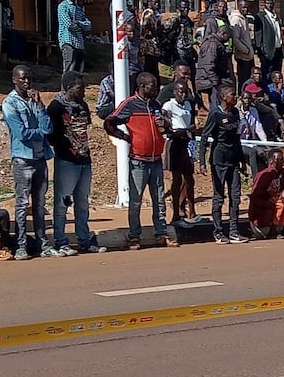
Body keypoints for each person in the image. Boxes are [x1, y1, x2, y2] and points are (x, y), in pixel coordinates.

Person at [105, 72, 176, 249]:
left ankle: (161, 233)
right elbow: (109, 122)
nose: (156, 88)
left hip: (156, 159)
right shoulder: (130, 104)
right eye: (152, 86)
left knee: (159, 199)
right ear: (142, 87)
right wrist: (125, 137)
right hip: (138, 160)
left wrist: (165, 124)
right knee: (135, 200)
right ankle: (134, 236)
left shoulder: (156, 104)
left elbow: (167, 126)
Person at [1, 65, 53, 259]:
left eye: (29, 78)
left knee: (40, 204)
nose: (27, 82)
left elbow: (48, 126)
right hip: (23, 159)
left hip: (40, 158)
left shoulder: (34, 100)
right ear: (14, 79)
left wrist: (40, 106)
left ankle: (43, 243)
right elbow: (21, 133)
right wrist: (42, 133)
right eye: (22, 79)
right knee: (22, 204)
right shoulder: (9, 103)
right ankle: (21, 245)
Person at [44, 73, 100, 255]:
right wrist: (67, 149)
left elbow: (84, 130)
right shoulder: (56, 107)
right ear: (68, 87)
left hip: (85, 160)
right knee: (63, 202)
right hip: (67, 162)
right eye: (80, 88)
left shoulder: (83, 105)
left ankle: (84, 240)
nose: (83, 91)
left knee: (82, 202)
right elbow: (50, 135)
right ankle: (61, 241)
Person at [200, 83, 246, 243]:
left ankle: (234, 231)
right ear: (223, 97)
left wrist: (242, 160)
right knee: (219, 197)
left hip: (233, 160)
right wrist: (202, 162)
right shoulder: (215, 114)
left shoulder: (234, 113)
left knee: (235, 196)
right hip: (219, 160)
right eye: (233, 94)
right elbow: (205, 137)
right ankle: (218, 231)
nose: (236, 97)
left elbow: (236, 139)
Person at [161, 74, 202, 227]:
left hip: (187, 143)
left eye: (185, 92)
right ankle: (176, 214)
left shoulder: (188, 105)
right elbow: (166, 126)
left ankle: (192, 211)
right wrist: (183, 130)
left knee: (190, 179)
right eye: (180, 92)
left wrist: (189, 131)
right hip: (175, 143)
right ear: (174, 92)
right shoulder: (168, 106)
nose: (183, 94)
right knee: (177, 179)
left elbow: (191, 125)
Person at [249, 149, 284, 238]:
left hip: (275, 207)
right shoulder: (264, 175)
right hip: (262, 217)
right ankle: (272, 231)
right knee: (279, 201)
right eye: (279, 160)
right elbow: (255, 197)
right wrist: (271, 205)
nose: (282, 162)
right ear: (271, 161)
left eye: (282, 160)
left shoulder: (282, 172)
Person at [194, 23, 233, 111]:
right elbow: (208, 65)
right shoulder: (212, 44)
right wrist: (215, 82)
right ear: (223, 34)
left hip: (212, 79)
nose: (228, 40)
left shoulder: (216, 43)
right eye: (228, 37)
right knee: (216, 105)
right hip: (209, 80)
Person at [56, 0, 91, 74]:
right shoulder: (62, 7)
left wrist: (79, 23)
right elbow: (69, 25)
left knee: (78, 70)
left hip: (79, 43)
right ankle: (65, 88)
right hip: (68, 41)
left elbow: (88, 25)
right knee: (69, 68)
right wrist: (80, 25)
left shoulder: (78, 9)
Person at [228, 0, 256, 87]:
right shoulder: (236, 19)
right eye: (243, 7)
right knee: (243, 80)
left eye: (247, 7)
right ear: (238, 7)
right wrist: (246, 50)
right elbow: (235, 39)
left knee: (250, 79)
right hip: (242, 57)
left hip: (248, 56)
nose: (245, 9)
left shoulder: (245, 18)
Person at [259, 0, 284, 82]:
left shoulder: (276, 16)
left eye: (271, 3)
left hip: (278, 50)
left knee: (277, 73)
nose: (270, 5)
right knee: (267, 73)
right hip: (268, 52)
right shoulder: (261, 16)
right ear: (264, 4)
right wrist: (262, 51)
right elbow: (258, 36)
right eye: (268, 3)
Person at [138, 0, 164, 77]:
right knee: (150, 68)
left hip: (154, 45)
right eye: (155, 2)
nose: (157, 4)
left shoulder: (156, 13)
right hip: (149, 46)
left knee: (154, 67)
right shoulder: (148, 13)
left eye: (158, 2)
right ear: (150, 2)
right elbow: (148, 28)